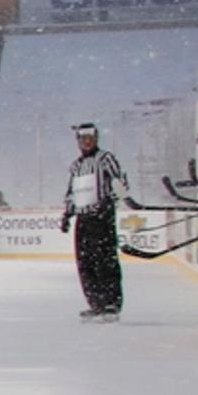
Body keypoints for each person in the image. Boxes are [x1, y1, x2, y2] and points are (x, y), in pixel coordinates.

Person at [59, 119, 129, 320]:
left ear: (96, 138)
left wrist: (111, 201)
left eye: (90, 138)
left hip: (102, 217)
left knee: (105, 261)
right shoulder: (76, 166)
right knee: (86, 263)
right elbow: (72, 192)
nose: (87, 142)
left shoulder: (105, 159)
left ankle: (111, 303)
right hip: (84, 219)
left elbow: (120, 182)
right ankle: (96, 302)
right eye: (83, 139)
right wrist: (67, 214)